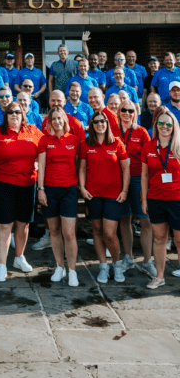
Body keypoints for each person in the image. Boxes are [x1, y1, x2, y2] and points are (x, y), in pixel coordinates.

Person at [0, 102, 42, 281]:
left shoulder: (33, 131)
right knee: (4, 225)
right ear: (6, 115)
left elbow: (44, 152)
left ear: (23, 113)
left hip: (27, 184)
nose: (14, 115)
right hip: (3, 184)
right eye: (11, 112)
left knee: (23, 224)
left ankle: (19, 257)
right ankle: (2, 264)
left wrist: (39, 166)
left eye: (18, 112)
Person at [79, 109, 130, 283]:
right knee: (97, 230)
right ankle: (103, 265)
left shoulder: (117, 143)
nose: (100, 124)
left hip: (113, 195)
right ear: (92, 125)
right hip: (93, 195)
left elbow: (125, 169)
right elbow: (82, 168)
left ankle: (116, 264)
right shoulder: (87, 144)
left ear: (107, 124)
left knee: (110, 233)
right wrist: (83, 188)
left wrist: (124, 190)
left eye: (103, 121)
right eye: (96, 122)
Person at [37, 107, 81, 286]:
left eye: (59, 118)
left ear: (64, 119)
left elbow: (79, 164)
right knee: (54, 231)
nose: (56, 121)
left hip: (69, 190)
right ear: (49, 121)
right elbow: (41, 165)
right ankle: (59, 266)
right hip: (50, 190)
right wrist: (40, 189)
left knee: (69, 233)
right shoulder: (44, 140)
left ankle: (72, 270)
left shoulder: (74, 140)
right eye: (53, 119)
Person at [140, 108, 180, 288]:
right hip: (155, 198)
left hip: (177, 199)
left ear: (174, 127)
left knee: (179, 240)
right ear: (156, 125)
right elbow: (144, 176)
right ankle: (159, 276)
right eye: (161, 123)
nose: (165, 127)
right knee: (159, 239)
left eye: (168, 124)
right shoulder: (149, 146)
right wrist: (144, 200)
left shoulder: (179, 145)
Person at [118, 100, 154, 276]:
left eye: (130, 110)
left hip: (139, 178)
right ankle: (129, 257)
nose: (126, 113)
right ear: (118, 112)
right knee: (125, 219)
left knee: (145, 220)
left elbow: (149, 158)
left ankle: (148, 261)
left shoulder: (142, 132)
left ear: (135, 112)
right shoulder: (114, 130)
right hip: (119, 179)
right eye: (123, 109)